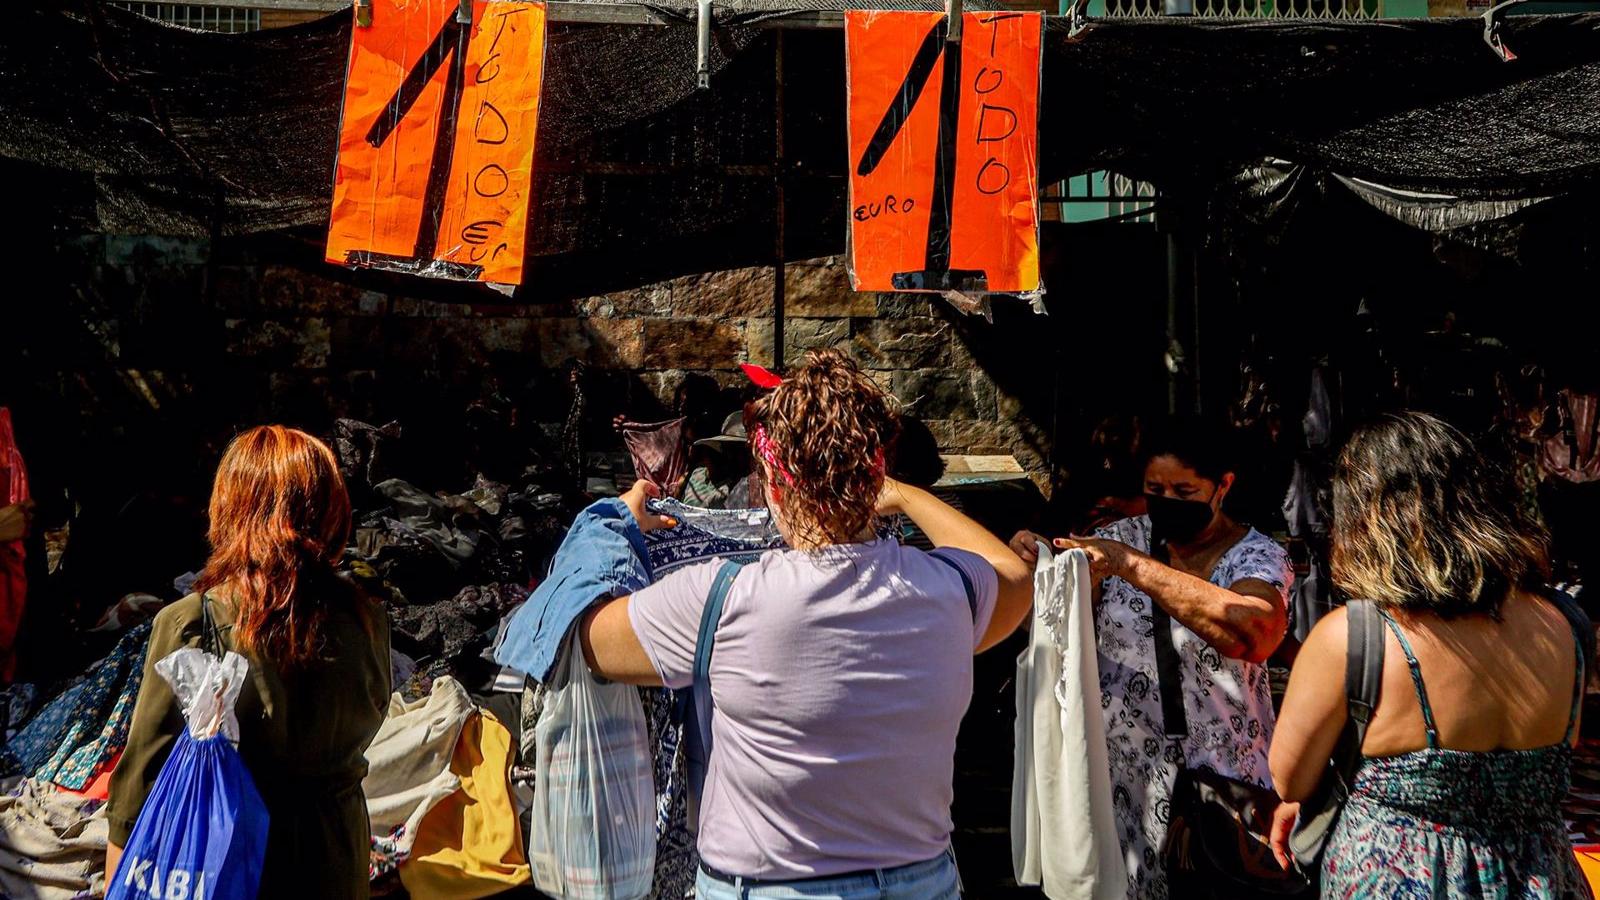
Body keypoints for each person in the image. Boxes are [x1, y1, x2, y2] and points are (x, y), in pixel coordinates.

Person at [578, 349, 1033, 898]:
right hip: (922, 882)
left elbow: (592, 641)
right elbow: (1012, 573)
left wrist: (611, 521)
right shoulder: (950, 591)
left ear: (772, 482)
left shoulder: (721, 599)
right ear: (875, 474)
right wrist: (907, 498)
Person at [1268, 412, 1593, 898]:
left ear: (1366, 517)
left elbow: (1290, 780)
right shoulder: (1565, 623)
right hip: (1541, 874)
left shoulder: (1353, 636)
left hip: (1396, 878)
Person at [1009, 420, 1291, 900]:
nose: (1167, 500)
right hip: (1126, 781)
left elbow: (1252, 633)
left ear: (1222, 486)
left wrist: (1130, 566)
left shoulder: (1255, 557)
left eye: (1184, 490)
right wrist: (1038, 570)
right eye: (1154, 488)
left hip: (1224, 781)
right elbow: (1043, 625)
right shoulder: (1122, 537)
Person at [107, 426, 391, 899]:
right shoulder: (367, 621)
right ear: (330, 510)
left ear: (231, 508)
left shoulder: (191, 622)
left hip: (237, 863)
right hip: (336, 859)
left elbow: (136, 797)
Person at [682, 410, 754, 509]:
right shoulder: (696, 475)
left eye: (737, 450)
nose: (730, 456)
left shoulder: (752, 486)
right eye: (727, 449)